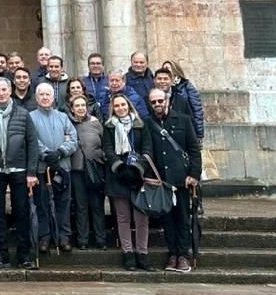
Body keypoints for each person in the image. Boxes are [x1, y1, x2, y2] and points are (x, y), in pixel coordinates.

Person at [0, 78, 39, 270]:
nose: (1, 93)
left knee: (21, 213)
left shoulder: (23, 114)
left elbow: (32, 143)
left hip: (19, 171)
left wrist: (31, 171)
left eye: (4, 89)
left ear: (10, 90)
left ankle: (24, 255)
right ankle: (1, 254)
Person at [145, 88, 202, 273]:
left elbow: (194, 149)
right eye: (153, 102)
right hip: (162, 181)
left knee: (183, 218)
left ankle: (183, 255)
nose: (157, 105)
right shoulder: (148, 123)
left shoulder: (183, 120)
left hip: (182, 179)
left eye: (160, 101)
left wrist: (193, 174)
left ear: (167, 101)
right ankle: (172, 254)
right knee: (167, 220)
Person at [103, 94, 153, 271]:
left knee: (141, 217)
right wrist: (120, 168)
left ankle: (142, 253)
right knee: (123, 218)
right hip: (118, 176)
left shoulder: (141, 125)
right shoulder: (108, 126)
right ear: (113, 109)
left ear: (129, 106)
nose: (120, 108)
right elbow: (108, 150)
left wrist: (137, 168)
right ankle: (128, 253)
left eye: (123, 104)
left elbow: (148, 149)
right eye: (117, 106)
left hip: (138, 175)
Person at [31, 82, 78, 253]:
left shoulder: (63, 117)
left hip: (62, 167)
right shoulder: (31, 117)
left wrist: (59, 152)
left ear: (53, 97)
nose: (45, 97)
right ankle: (45, 236)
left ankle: (63, 236)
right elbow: (32, 140)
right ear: (36, 98)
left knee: (63, 203)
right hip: (43, 168)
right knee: (43, 203)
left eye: (48, 94)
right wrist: (45, 154)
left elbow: (73, 139)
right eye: (41, 94)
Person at [68, 95, 106, 250]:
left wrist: (100, 157)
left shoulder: (96, 123)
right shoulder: (69, 123)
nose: (81, 108)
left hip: (95, 169)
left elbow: (105, 143)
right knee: (81, 206)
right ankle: (82, 239)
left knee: (97, 205)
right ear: (72, 108)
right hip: (77, 170)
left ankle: (101, 239)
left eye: (83, 105)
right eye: (77, 106)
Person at [158, 63, 205, 144]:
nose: (165, 70)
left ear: (175, 70)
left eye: (168, 68)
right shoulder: (161, 88)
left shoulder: (186, 86)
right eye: (164, 68)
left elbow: (197, 109)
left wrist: (199, 133)